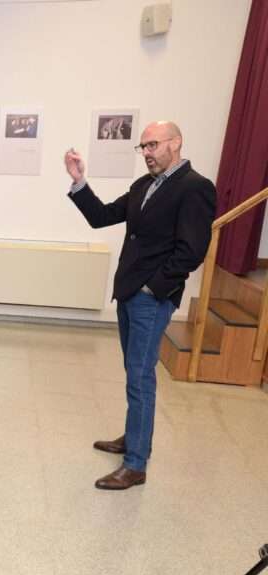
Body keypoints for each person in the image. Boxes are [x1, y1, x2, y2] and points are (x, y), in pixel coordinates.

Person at [65, 120, 216, 490]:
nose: (147, 153)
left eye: (153, 145)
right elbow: (102, 218)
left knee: (141, 378)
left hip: (150, 298)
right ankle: (134, 439)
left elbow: (192, 250)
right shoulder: (143, 185)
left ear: (176, 143)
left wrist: (153, 289)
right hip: (129, 293)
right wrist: (79, 180)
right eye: (143, 147)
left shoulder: (195, 188)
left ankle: (135, 464)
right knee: (134, 373)